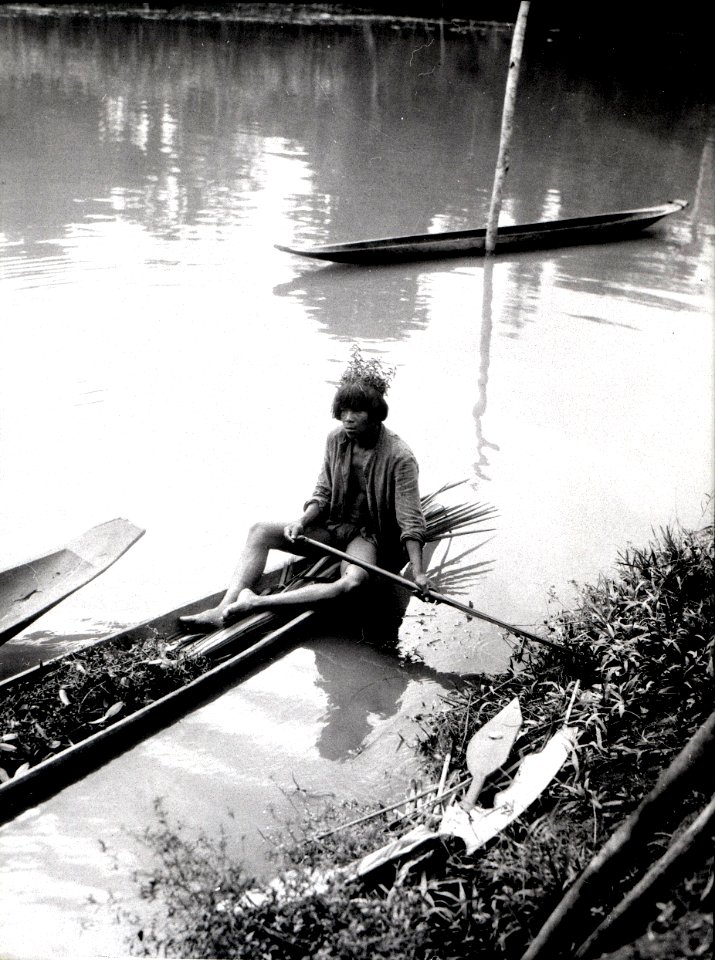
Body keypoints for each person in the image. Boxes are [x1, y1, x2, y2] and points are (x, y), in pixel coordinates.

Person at [179, 349, 431, 632]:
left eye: (357, 411)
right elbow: (322, 492)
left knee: (353, 583)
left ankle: (254, 603)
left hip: (366, 536)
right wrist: (302, 522)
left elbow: (411, 522)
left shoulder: (400, 457)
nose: (348, 419)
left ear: (375, 414)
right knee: (259, 531)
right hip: (332, 526)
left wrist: (419, 573)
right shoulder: (336, 439)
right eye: (344, 411)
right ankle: (224, 607)